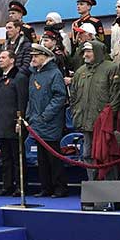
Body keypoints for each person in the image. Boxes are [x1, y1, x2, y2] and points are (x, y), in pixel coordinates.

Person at [70, 40, 120, 181]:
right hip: (85, 122)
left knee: (106, 156)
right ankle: (93, 189)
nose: (85, 54)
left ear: (97, 51)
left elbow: (116, 95)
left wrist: (110, 117)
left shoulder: (111, 68)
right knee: (87, 154)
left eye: (89, 51)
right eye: (84, 51)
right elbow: (73, 96)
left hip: (104, 124)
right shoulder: (80, 71)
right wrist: (76, 112)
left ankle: (110, 192)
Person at [26, 44, 68, 197]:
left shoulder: (54, 73)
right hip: (37, 120)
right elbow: (31, 98)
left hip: (50, 121)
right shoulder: (34, 74)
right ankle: (46, 186)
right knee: (41, 157)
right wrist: (29, 115)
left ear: (45, 57)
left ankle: (59, 187)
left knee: (53, 156)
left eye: (36, 56)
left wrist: (46, 115)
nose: (33, 59)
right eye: (32, 56)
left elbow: (59, 96)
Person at [0, 49, 29, 195]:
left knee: (17, 157)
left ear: (12, 60)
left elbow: (22, 100)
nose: (0, 59)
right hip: (1, 123)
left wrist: (19, 121)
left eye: (3, 57)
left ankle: (20, 186)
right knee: (5, 158)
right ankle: (6, 185)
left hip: (14, 123)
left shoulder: (19, 77)